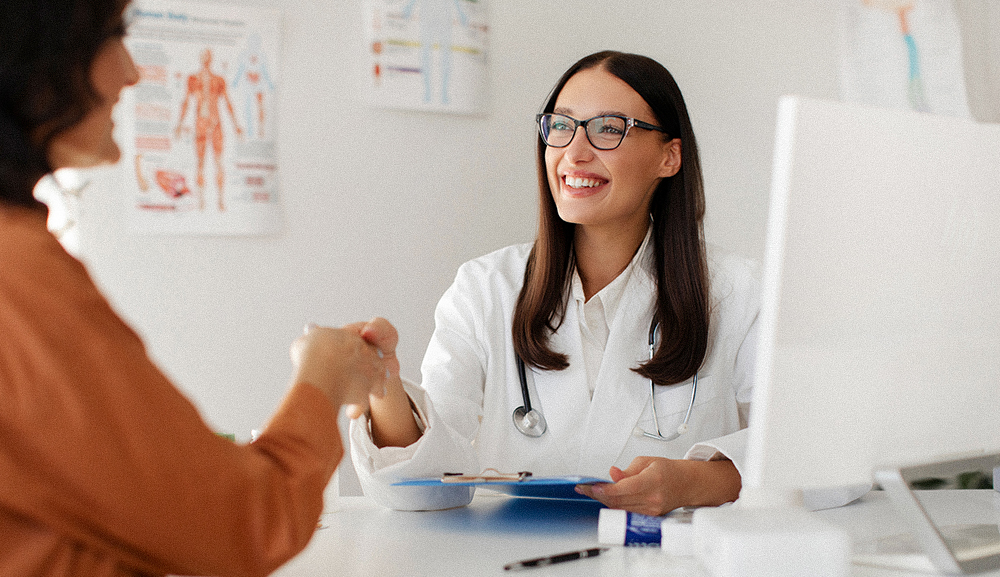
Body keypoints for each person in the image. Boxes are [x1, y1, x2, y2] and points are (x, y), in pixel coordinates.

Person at [0, 1, 391, 575]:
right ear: (35, 60)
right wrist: (322, 377)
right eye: (114, 36)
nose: (132, 72)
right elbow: (249, 523)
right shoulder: (20, 274)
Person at [349, 51, 761, 516]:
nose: (574, 152)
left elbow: (817, 460)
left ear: (669, 156)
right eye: (561, 127)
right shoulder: (487, 289)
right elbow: (428, 484)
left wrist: (702, 481)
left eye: (609, 128)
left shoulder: (738, 293)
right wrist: (384, 390)